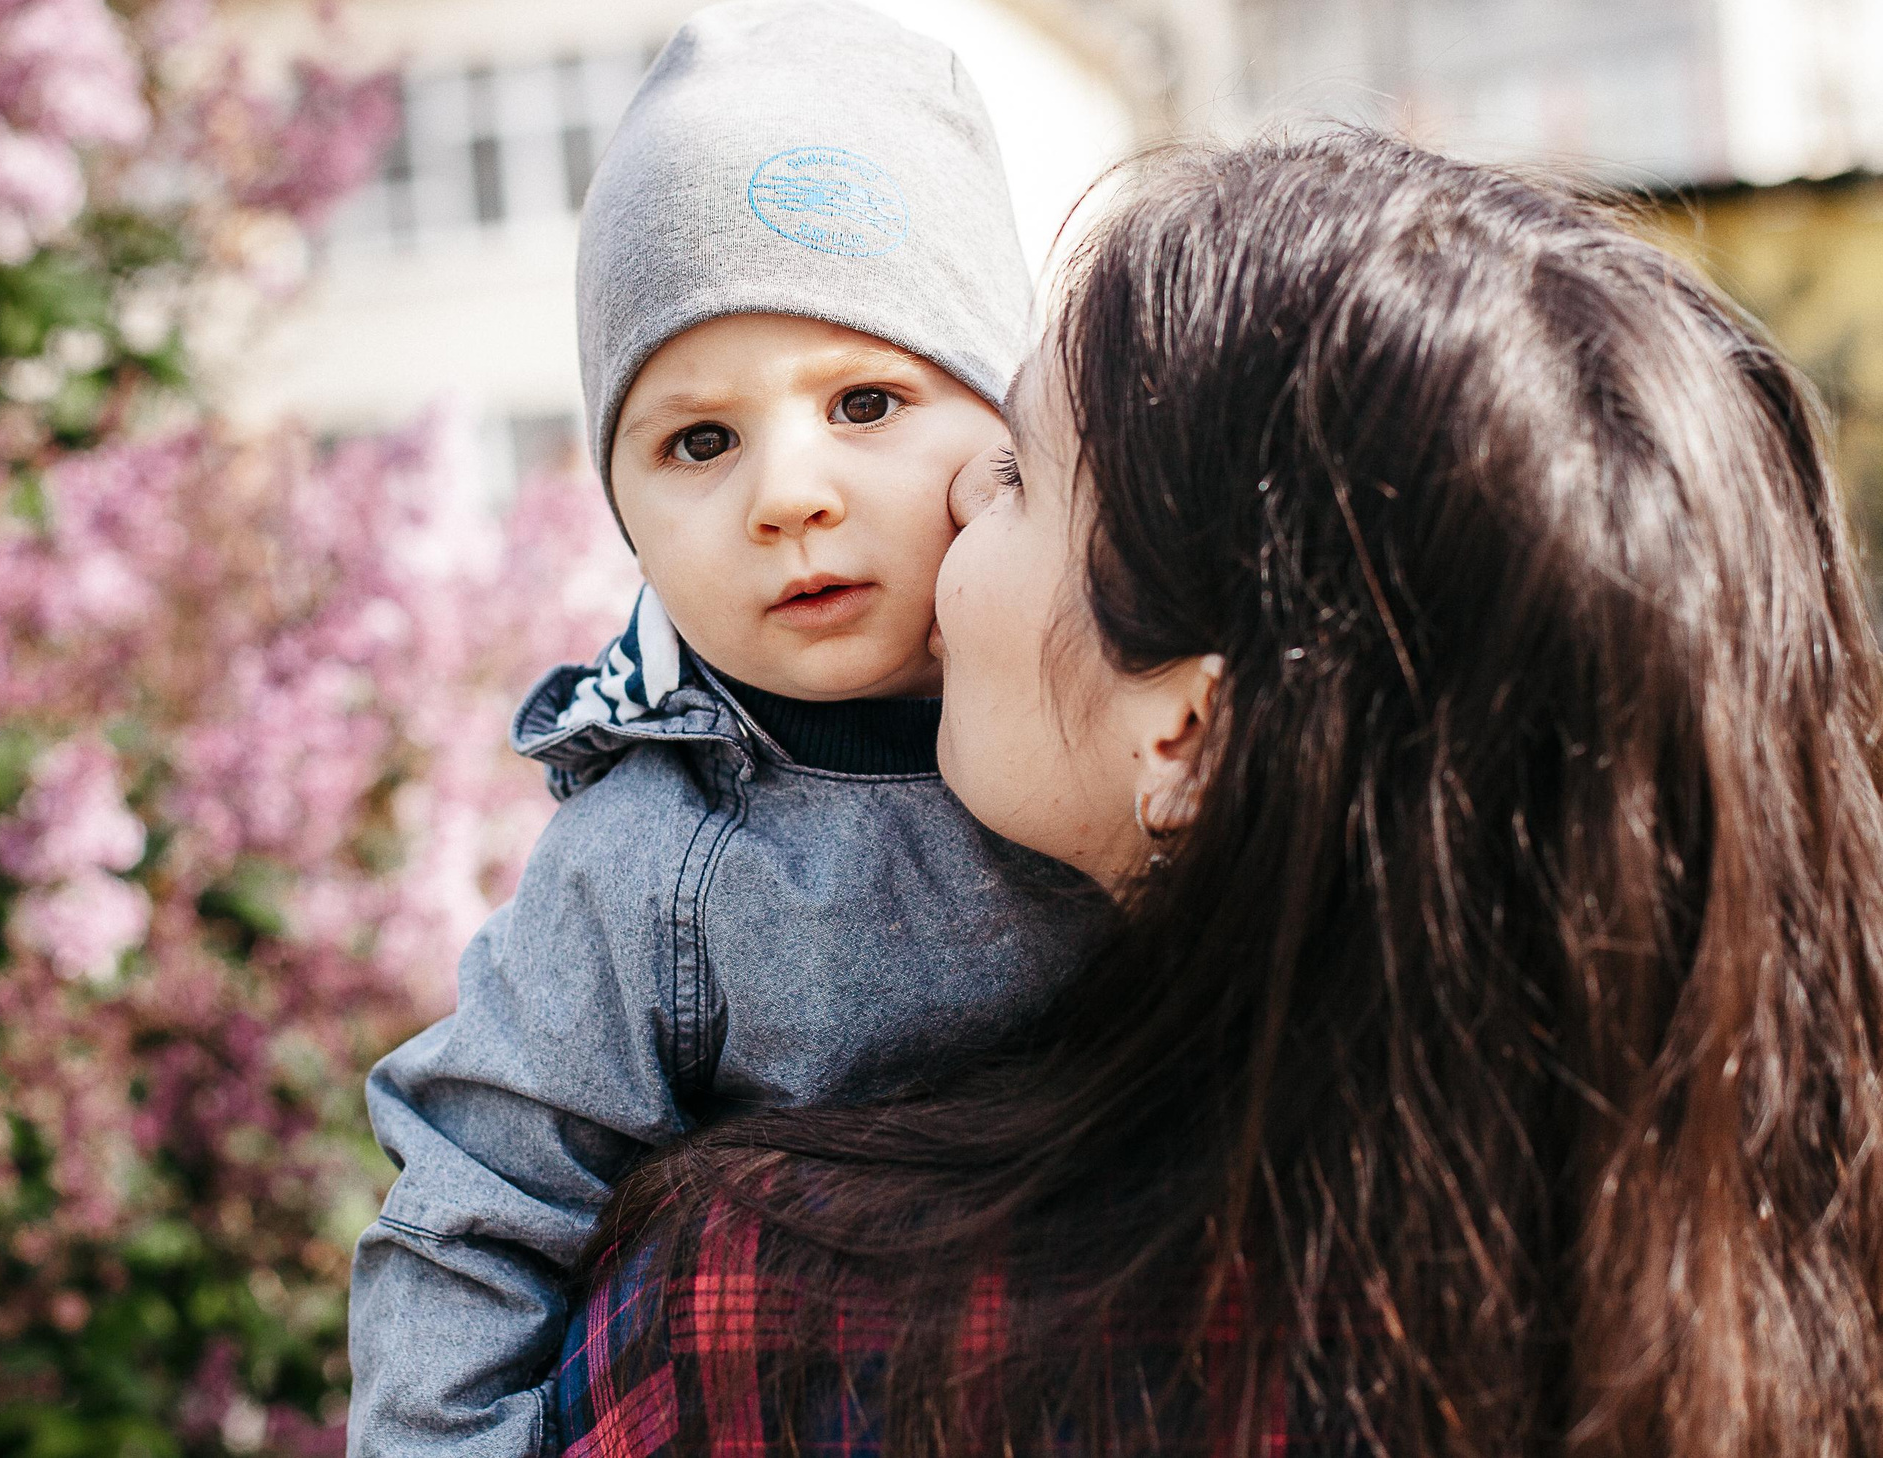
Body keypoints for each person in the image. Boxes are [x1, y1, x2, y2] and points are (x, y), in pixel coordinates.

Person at [552, 130, 1883, 1458]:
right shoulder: (1793, 1246)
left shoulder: (764, 1308)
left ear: (1187, 733)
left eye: (1014, 474)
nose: (940, 511)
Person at [347, 0, 1105, 1458]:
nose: (788, 492)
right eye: (700, 440)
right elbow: (473, 1205)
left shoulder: (1126, 723)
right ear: (624, 515)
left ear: (1009, 430)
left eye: (867, 398)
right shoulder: (654, 857)